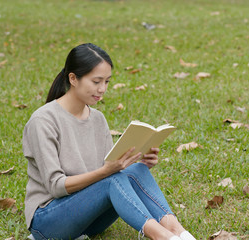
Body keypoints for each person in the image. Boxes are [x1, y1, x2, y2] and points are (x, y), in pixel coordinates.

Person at [23, 43, 196, 240]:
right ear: (73, 78)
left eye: (106, 81)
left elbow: (111, 174)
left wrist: (140, 162)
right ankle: (162, 237)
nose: (102, 89)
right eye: (96, 81)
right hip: (48, 222)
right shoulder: (43, 121)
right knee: (112, 180)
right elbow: (56, 186)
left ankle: (178, 232)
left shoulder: (97, 118)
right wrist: (107, 171)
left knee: (135, 171)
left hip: (90, 220)